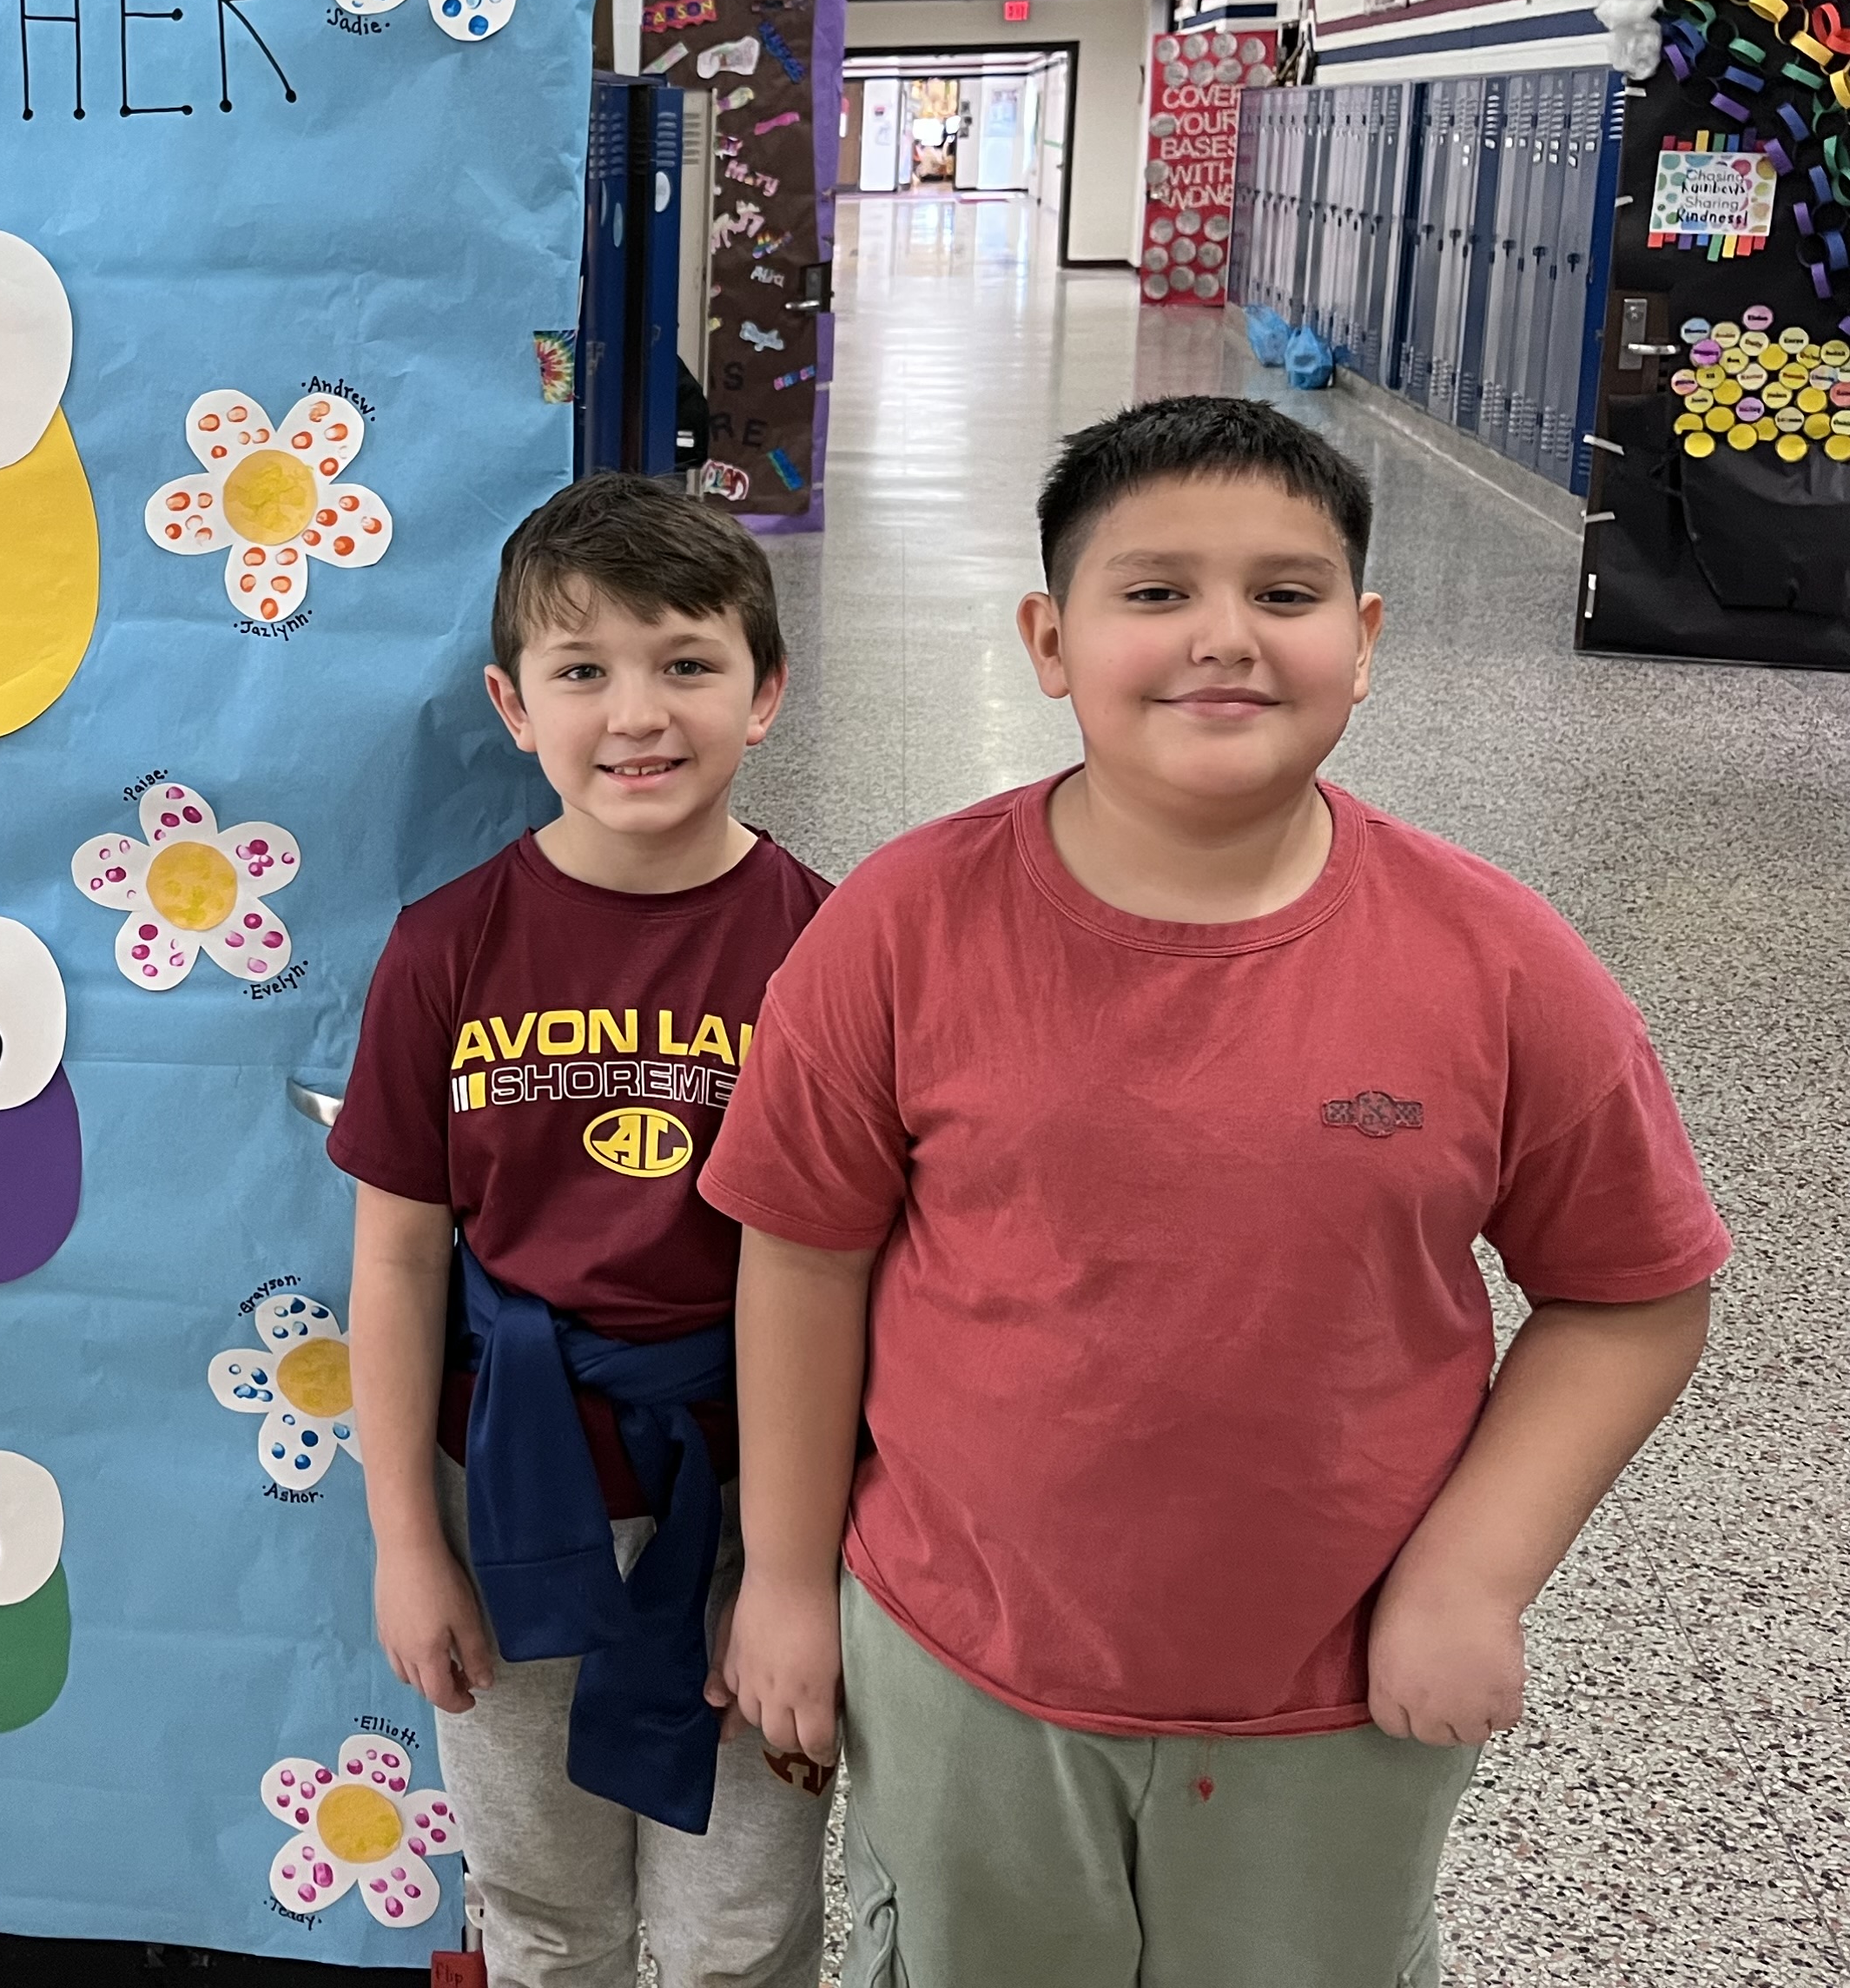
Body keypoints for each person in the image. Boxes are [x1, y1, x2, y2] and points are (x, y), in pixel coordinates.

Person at [704, 396, 1728, 1988]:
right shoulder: (902, 927)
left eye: (1287, 594)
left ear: (1367, 636)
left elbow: (1634, 1294)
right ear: (1051, 640)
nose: (1225, 639)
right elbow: (803, 1259)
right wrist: (783, 1580)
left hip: (1339, 1694)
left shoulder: (1502, 961)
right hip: (970, 1668)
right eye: (1157, 592)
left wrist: (1474, 1576)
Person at [330, 472, 836, 1988]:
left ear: (767, 693)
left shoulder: (830, 948)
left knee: (742, 1919)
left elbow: (866, 1281)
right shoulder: (444, 951)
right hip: (510, 1497)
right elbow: (400, 1260)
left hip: (755, 1494)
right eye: (583, 670)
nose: (639, 713)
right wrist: (406, 1545)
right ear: (511, 701)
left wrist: (800, 1562)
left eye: (688, 663)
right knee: (540, 1904)